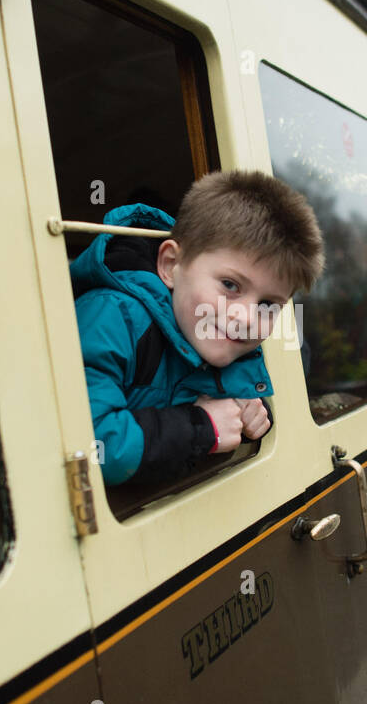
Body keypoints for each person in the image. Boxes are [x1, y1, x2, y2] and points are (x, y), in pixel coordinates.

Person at [71, 170, 324, 486]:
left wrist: (251, 414)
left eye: (267, 305)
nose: (247, 318)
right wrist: (202, 428)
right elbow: (90, 448)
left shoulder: (215, 334)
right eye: (230, 284)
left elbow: (230, 395)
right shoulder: (110, 318)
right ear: (170, 265)